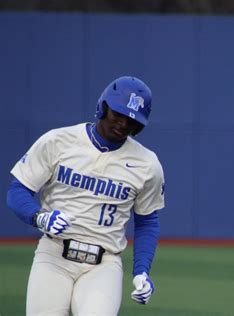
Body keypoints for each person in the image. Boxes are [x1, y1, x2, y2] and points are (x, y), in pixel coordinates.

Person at [6, 76, 165, 315]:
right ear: (103, 107)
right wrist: (38, 216)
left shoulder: (147, 164)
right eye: (118, 114)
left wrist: (142, 270)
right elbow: (18, 190)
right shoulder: (58, 141)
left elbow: (147, 222)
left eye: (131, 120)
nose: (123, 123)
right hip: (53, 255)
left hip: (104, 264)